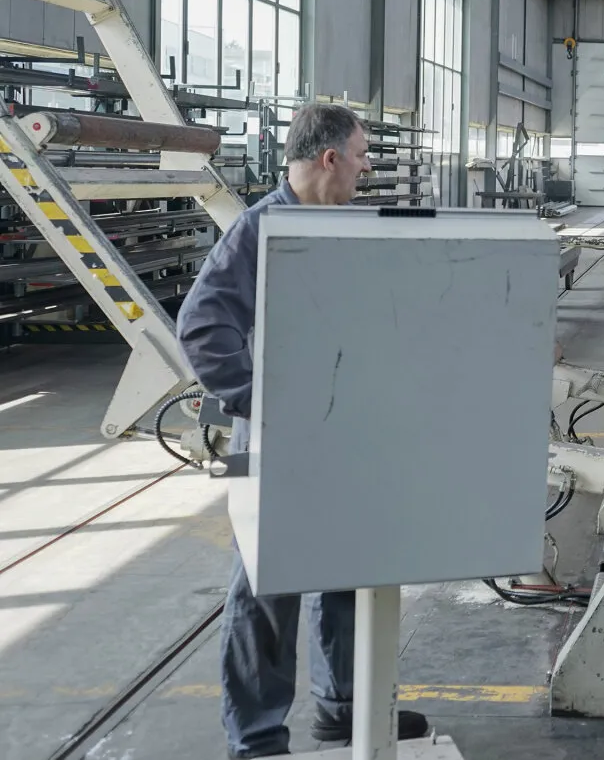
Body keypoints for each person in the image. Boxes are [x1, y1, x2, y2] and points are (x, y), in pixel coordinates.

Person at [177, 103, 430, 759]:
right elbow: (202, 325)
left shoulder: (334, 224)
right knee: (267, 586)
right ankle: (256, 736)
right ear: (329, 159)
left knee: (344, 567)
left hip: (332, 435)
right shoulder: (262, 229)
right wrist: (266, 403)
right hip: (273, 440)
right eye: (362, 154)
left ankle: (346, 707)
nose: (367, 166)